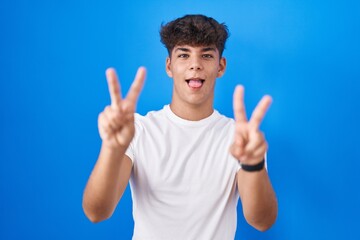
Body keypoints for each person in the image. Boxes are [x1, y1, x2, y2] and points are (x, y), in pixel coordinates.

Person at [82, 14, 278, 239]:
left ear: (220, 66)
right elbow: (96, 212)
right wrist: (112, 148)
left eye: (206, 55)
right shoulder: (137, 129)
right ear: (169, 65)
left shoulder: (241, 138)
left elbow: (262, 221)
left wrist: (253, 164)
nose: (195, 65)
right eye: (184, 55)